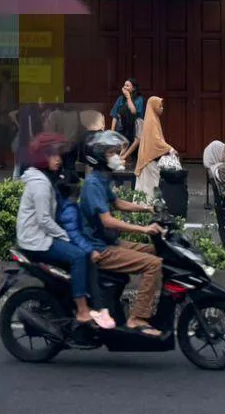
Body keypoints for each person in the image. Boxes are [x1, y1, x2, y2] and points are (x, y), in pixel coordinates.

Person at [17, 132, 113, 328]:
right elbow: (44, 219)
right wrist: (66, 237)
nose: (58, 159)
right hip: (36, 240)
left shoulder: (45, 179)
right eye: (53, 155)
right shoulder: (40, 184)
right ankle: (82, 310)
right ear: (42, 157)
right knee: (78, 256)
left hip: (41, 235)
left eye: (58, 155)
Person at [77, 130, 165, 335]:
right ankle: (137, 317)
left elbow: (117, 203)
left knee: (156, 251)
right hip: (100, 248)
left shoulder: (101, 179)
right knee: (154, 264)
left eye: (116, 152)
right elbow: (107, 221)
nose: (117, 156)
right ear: (98, 158)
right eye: (111, 153)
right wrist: (144, 229)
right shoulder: (92, 184)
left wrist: (147, 208)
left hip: (110, 242)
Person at [55, 170, 114, 322]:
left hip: (74, 243)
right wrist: (90, 250)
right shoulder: (69, 209)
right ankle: (96, 307)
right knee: (91, 269)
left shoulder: (70, 205)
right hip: (73, 246)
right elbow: (73, 234)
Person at [132, 96, 177, 198]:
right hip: (149, 160)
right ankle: (146, 206)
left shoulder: (153, 119)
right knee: (149, 187)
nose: (162, 108)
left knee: (149, 186)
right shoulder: (151, 121)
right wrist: (170, 149)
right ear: (154, 107)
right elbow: (156, 141)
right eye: (160, 106)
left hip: (149, 158)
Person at [110, 79, 145, 145]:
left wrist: (128, 97)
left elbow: (133, 111)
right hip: (120, 129)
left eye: (127, 86)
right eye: (124, 85)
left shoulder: (139, 99)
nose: (125, 87)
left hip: (133, 130)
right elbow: (115, 115)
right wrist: (112, 132)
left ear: (134, 88)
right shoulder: (120, 98)